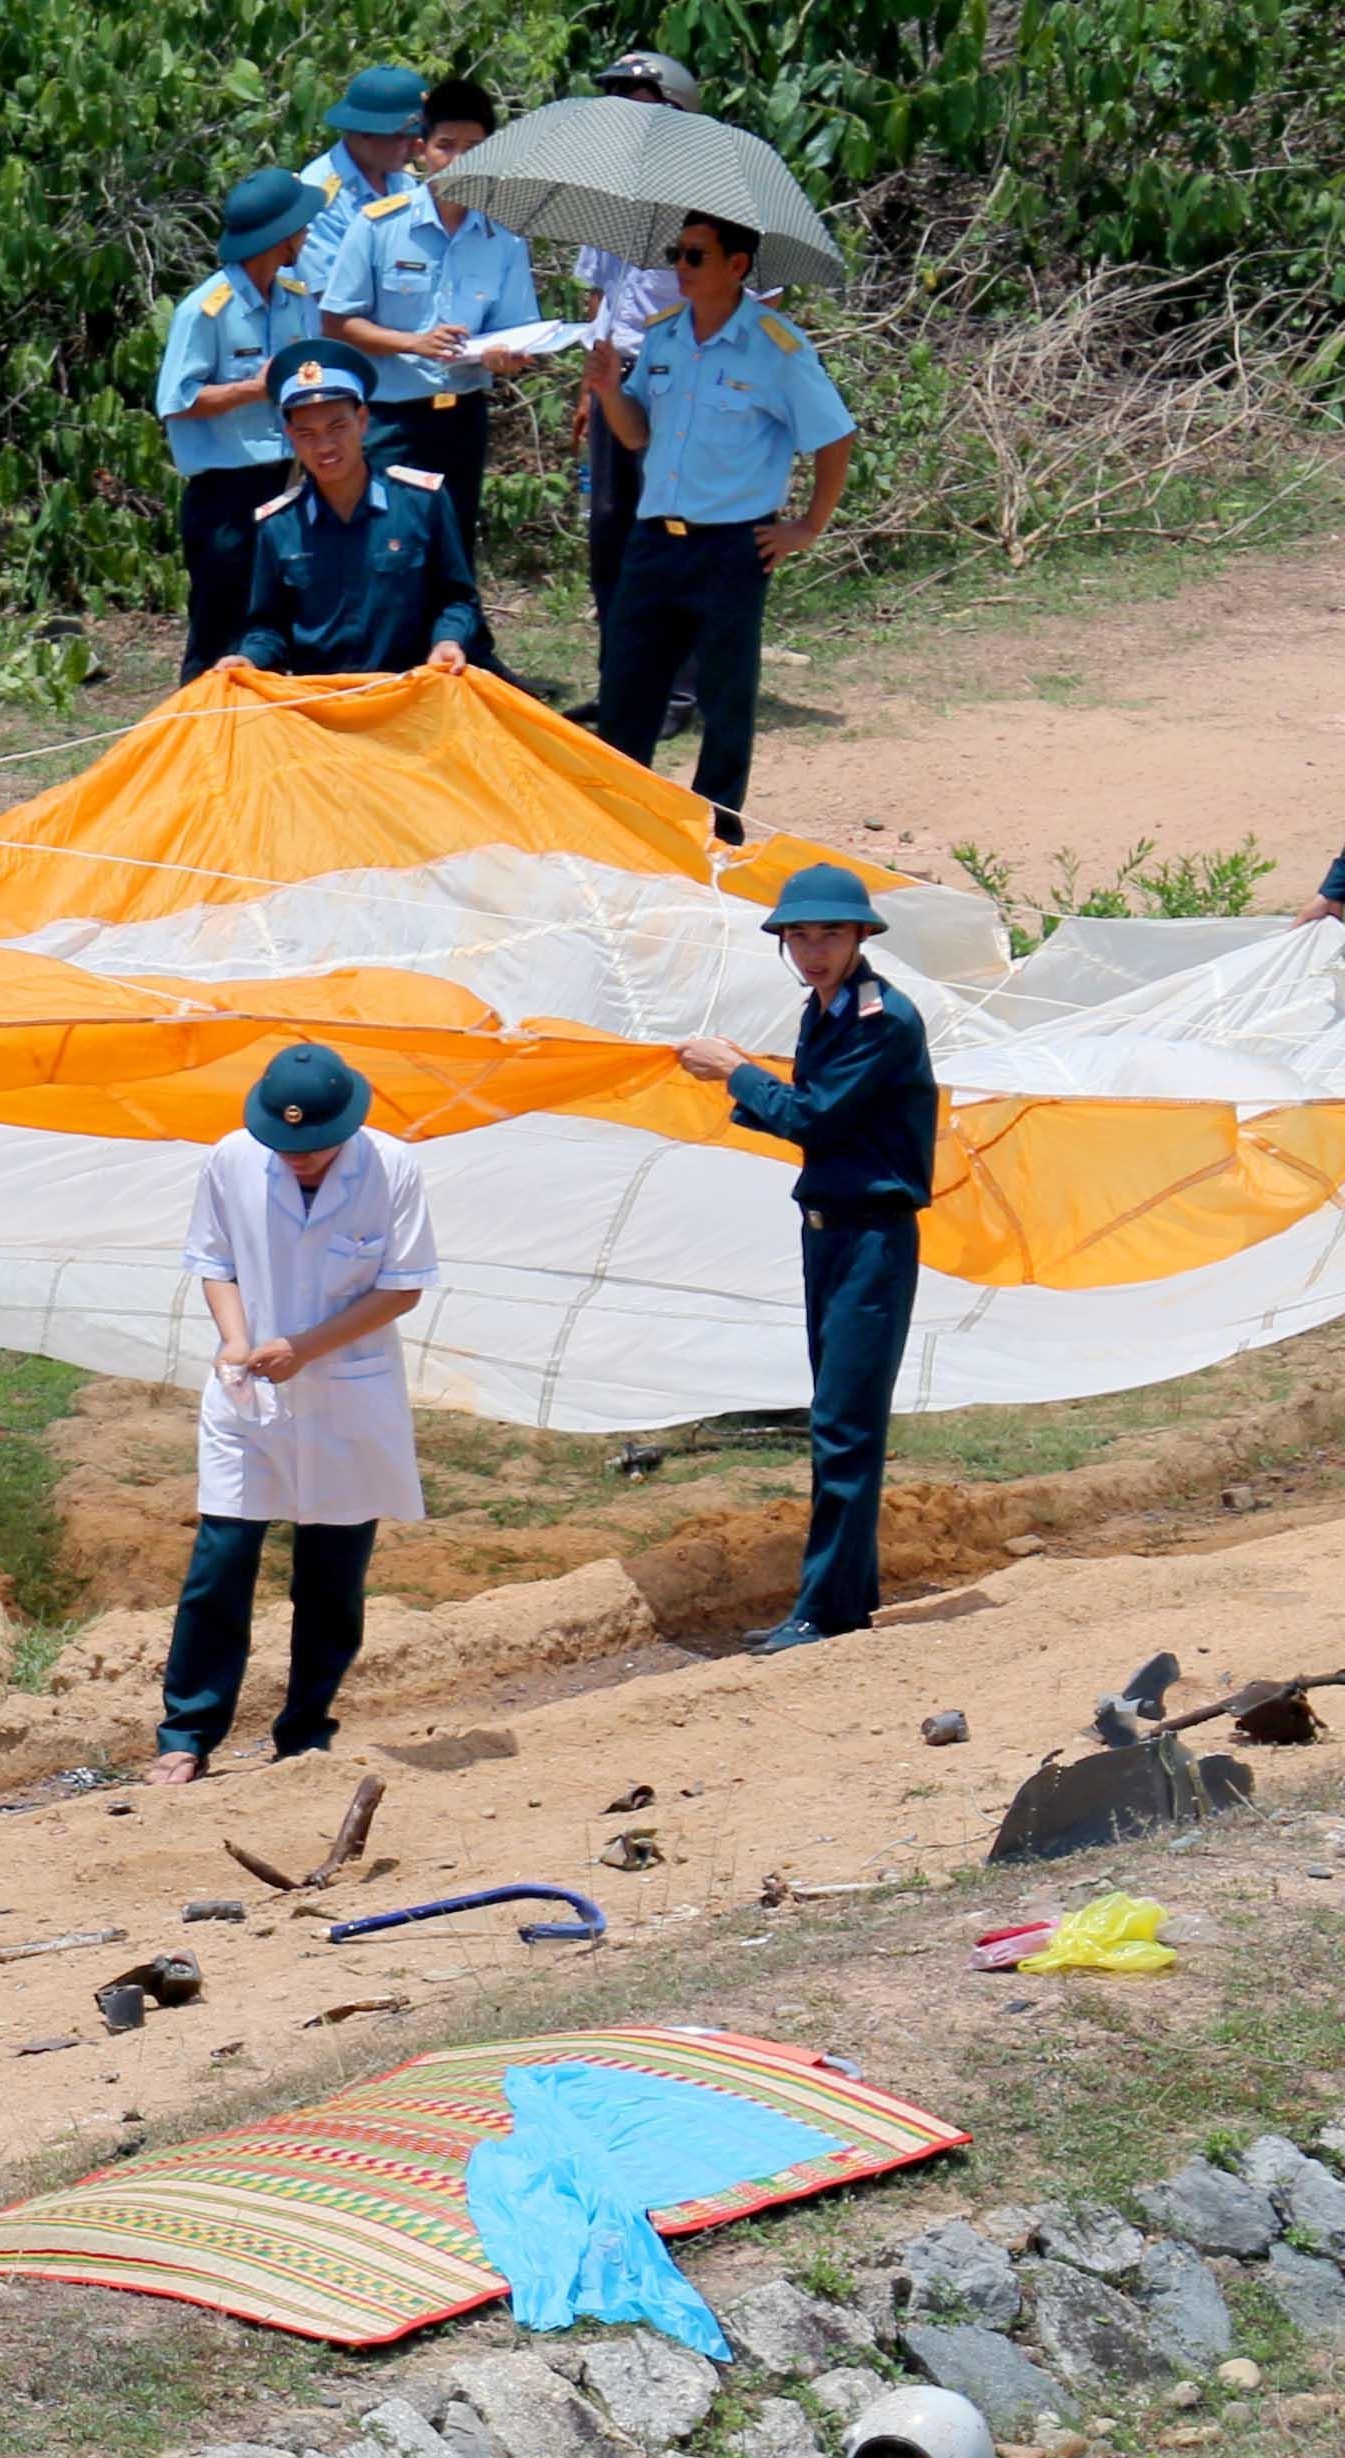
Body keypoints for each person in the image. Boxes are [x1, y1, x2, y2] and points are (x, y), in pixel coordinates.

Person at [146, 1044, 432, 1785]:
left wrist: (305, 1348)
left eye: (314, 1146)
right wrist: (235, 1339)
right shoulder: (232, 1160)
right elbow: (215, 1263)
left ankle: (305, 1733)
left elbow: (402, 1286)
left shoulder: (392, 1168)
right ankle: (187, 1733)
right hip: (250, 1394)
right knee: (222, 1560)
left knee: (331, 1577)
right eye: (284, 1144)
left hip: (345, 1391)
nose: (297, 1157)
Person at [670, 863, 933, 1652]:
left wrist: (737, 1073)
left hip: (869, 1236)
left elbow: (816, 1118)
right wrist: (746, 1084)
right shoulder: (829, 1009)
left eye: (830, 935)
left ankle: (824, 1612)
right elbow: (825, 1115)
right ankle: (843, 1598)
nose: (814, 950)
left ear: (860, 938)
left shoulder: (880, 1019)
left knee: (843, 1425)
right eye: (801, 936)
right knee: (837, 1419)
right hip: (830, 1232)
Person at [584, 209, 853, 838]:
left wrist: (808, 527)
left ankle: (718, 833)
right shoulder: (662, 335)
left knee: (725, 698)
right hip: (655, 540)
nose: (680, 266)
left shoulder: (776, 347)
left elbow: (834, 435)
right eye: (676, 254)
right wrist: (608, 391)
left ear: (737, 266)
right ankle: (621, 826)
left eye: (695, 256)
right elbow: (636, 434)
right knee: (626, 688)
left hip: (732, 546)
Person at [305, 76, 535, 638]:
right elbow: (337, 322)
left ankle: (461, 652)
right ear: (422, 150)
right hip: (391, 415)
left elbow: (517, 332)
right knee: (384, 541)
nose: (459, 160)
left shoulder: (504, 237)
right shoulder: (379, 224)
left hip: (461, 412)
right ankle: (378, 655)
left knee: (453, 539)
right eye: (446, 146)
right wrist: (413, 342)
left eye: (475, 147)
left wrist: (507, 357)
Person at [157, 169, 327, 682]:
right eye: (301, 227)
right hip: (226, 492)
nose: (307, 235)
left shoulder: (296, 298)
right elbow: (178, 400)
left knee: (279, 617)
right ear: (280, 236)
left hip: (289, 480)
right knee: (221, 621)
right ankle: (199, 717)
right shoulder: (206, 310)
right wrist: (253, 389)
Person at [234, 342, 484, 677]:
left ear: (362, 420)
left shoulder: (421, 502)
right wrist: (249, 658)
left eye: (337, 428)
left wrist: (447, 640)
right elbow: (269, 626)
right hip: (320, 697)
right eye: (307, 434)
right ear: (290, 435)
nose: (324, 447)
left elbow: (458, 599)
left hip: (409, 688)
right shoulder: (280, 524)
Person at [569, 48, 705, 650]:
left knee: (674, 526)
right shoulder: (613, 199)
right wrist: (589, 387)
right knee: (610, 524)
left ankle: (681, 681)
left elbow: (761, 299)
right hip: (615, 377)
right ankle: (620, 668)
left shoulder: (711, 202)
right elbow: (601, 298)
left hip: (677, 380)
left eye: (640, 105)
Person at [297, 63, 432, 259]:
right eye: (405, 137)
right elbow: (329, 278)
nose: (417, 147)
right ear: (366, 132)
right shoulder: (319, 201)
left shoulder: (401, 181)